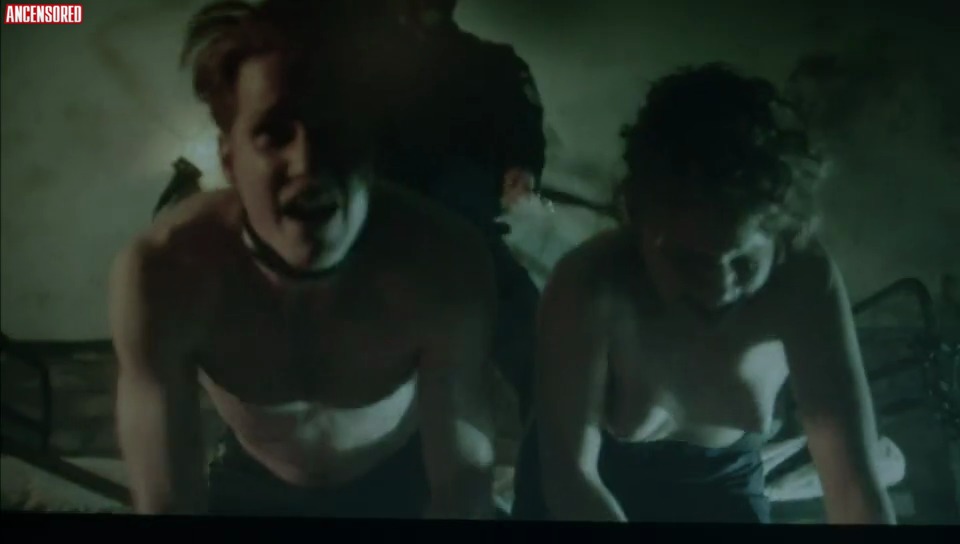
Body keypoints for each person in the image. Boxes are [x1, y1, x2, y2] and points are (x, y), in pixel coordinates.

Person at [109, 0, 497, 518]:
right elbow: (167, 504)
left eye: (333, 128)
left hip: (400, 482)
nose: (307, 162)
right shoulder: (165, 272)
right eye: (274, 132)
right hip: (250, 482)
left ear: (371, 147)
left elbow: (462, 489)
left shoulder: (444, 266)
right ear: (229, 159)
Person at [511, 63, 896, 524]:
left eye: (744, 262)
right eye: (689, 261)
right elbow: (570, 478)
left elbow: (853, 484)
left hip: (721, 484)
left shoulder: (804, 281)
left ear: (783, 236)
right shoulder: (590, 282)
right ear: (638, 220)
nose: (719, 288)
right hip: (581, 489)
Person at [371, 0, 546, 423]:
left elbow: (523, 131)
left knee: (534, 341)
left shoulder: (492, 65)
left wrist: (522, 169)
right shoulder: (359, 62)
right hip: (379, 229)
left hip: (464, 229)